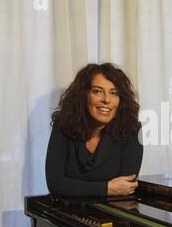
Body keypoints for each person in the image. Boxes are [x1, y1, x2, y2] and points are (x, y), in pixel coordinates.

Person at [45, 63, 142, 197]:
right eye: (97, 91)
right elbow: (55, 184)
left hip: (113, 212)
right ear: (83, 95)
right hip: (67, 211)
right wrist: (106, 188)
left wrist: (74, 187)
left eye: (114, 93)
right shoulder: (63, 126)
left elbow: (125, 187)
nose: (106, 100)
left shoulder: (131, 131)